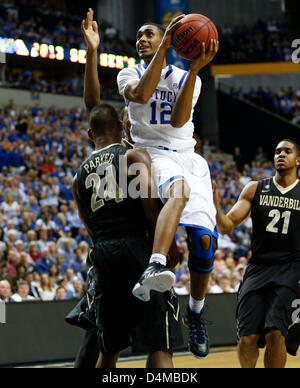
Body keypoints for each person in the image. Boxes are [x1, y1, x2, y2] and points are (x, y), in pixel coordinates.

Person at [83, 8, 219, 359]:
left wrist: (194, 70)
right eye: (139, 35)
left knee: (204, 243)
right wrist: (163, 49)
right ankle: (157, 261)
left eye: (150, 34)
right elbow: (141, 96)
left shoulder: (188, 76)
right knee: (176, 192)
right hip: (154, 153)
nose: (142, 39)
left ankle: (197, 312)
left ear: (167, 40)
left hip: (186, 152)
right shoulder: (129, 73)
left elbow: (178, 120)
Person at [66, 9, 183, 368]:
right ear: (122, 123)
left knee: (107, 347)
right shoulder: (133, 154)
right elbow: (150, 208)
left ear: (89, 135)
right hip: (136, 248)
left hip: (102, 253)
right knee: (159, 343)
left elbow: (90, 227)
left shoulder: (79, 175)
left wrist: (91, 51)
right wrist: (166, 249)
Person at [213, 139, 300, 368]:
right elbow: (227, 225)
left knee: (275, 333)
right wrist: (214, 208)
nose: (281, 154)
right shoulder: (255, 188)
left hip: (291, 269)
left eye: (287, 151)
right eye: (277, 151)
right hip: (258, 267)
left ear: (298, 160)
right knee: (247, 337)